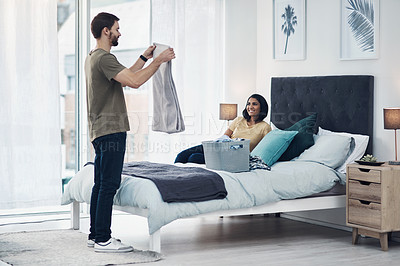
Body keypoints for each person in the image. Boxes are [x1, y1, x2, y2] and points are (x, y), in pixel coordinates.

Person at [85, 12, 175, 253]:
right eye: (116, 28)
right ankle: (103, 238)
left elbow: (125, 78)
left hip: (100, 129)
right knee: (109, 184)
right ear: (106, 31)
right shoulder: (104, 58)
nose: (119, 33)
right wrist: (159, 61)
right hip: (112, 129)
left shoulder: (94, 57)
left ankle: (95, 235)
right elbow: (135, 82)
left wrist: (144, 58)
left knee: (100, 183)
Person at [175, 94, 271, 164]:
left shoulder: (265, 127)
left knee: (194, 158)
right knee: (181, 156)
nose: (250, 107)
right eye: (248, 104)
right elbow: (225, 136)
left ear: (262, 107)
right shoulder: (239, 119)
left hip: (233, 155)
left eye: (254, 104)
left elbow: (265, 149)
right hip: (220, 147)